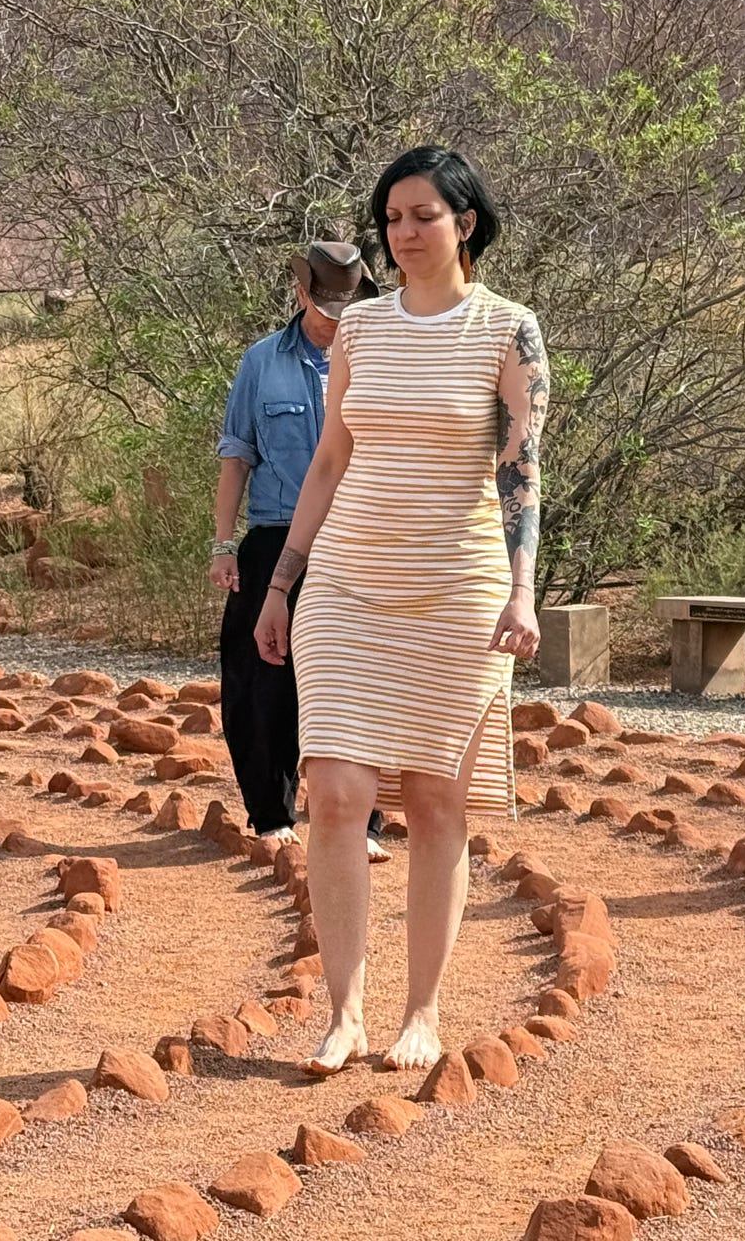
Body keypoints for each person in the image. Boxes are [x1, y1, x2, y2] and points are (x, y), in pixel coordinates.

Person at [254, 144, 547, 1076]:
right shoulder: (361, 332)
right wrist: (280, 581)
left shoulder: (510, 329)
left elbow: (522, 471)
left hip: (457, 589)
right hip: (345, 582)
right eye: (392, 217)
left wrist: (523, 585)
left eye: (423, 214)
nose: (405, 232)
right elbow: (331, 462)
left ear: (465, 223)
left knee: (432, 801)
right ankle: (343, 1012)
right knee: (334, 795)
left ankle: (421, 1014)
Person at [213, 241, 389, 859]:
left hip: (358, 536)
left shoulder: (379, 354)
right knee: (261, 676)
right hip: (273, 533)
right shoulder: (260, 362)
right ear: (301, 292)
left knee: (359, 678)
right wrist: (223, 543)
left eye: (348, 300)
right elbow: (236, 456)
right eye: (326, 300)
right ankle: (270, 814)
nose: (337, 314)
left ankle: (362, 822)